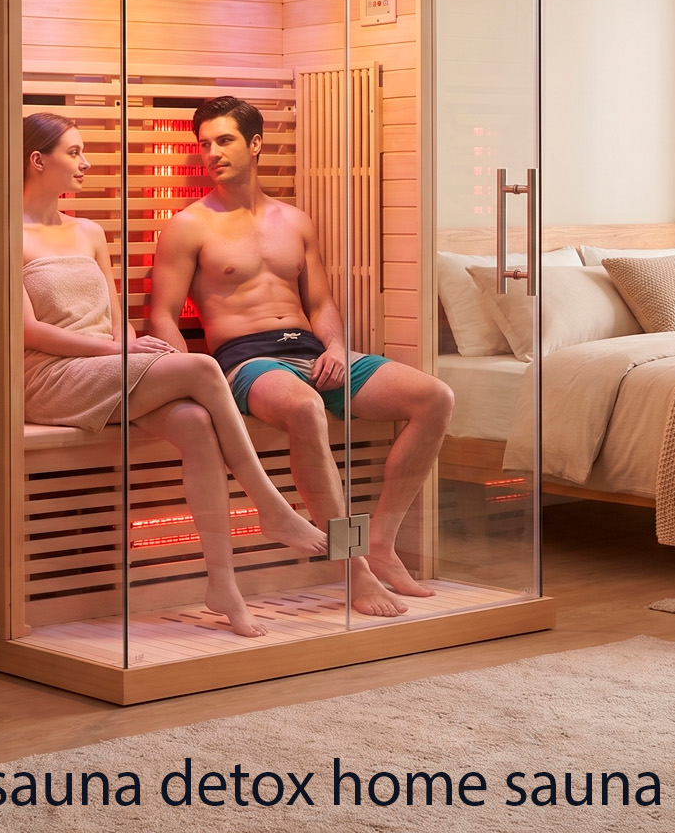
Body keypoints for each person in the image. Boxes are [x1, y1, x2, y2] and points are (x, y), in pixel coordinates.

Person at [20, 111, 327, 638]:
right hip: (51, 379)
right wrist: (118, 350)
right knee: (204, 367)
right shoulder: (4, 236)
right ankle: (271, 506)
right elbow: (27, 333)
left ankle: (222, 584)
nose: (86, 163)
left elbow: (115, 317)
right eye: (74, 152)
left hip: (108, 366)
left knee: (194, 423)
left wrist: (129, 344)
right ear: (37, 160)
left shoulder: (89, 232)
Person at [148, 96, 453, 617]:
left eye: (224, 140)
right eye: (204, 144)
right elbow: (162, 316)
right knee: (306, 409)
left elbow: (320, 303)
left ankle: (381, 543)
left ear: (256, 144)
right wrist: (198, 382)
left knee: (434, 397)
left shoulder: (296, 221)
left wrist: (335, 344)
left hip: (311, 350)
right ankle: (353, 567)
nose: (211, 153)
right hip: (248, 361)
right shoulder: (190, 226)